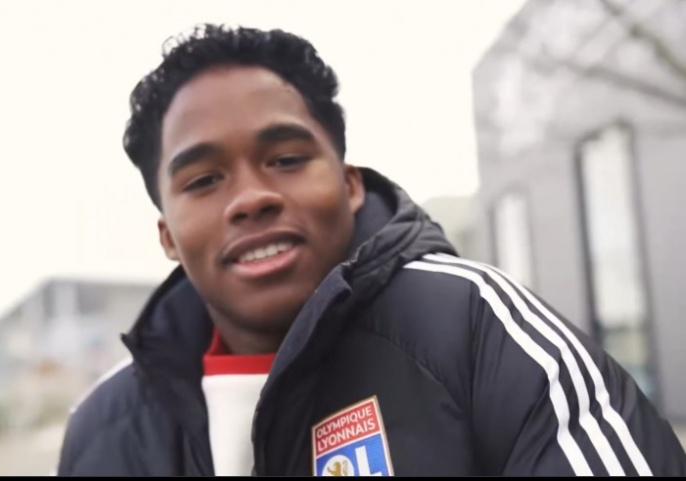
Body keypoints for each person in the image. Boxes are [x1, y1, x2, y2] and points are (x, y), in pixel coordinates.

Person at [56, 24, 686, 476]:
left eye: (286, 159)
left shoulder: (476, 327)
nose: (250, 199)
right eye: (203, 181)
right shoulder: (102, 432)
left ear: (351, 184)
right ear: (167, 235)